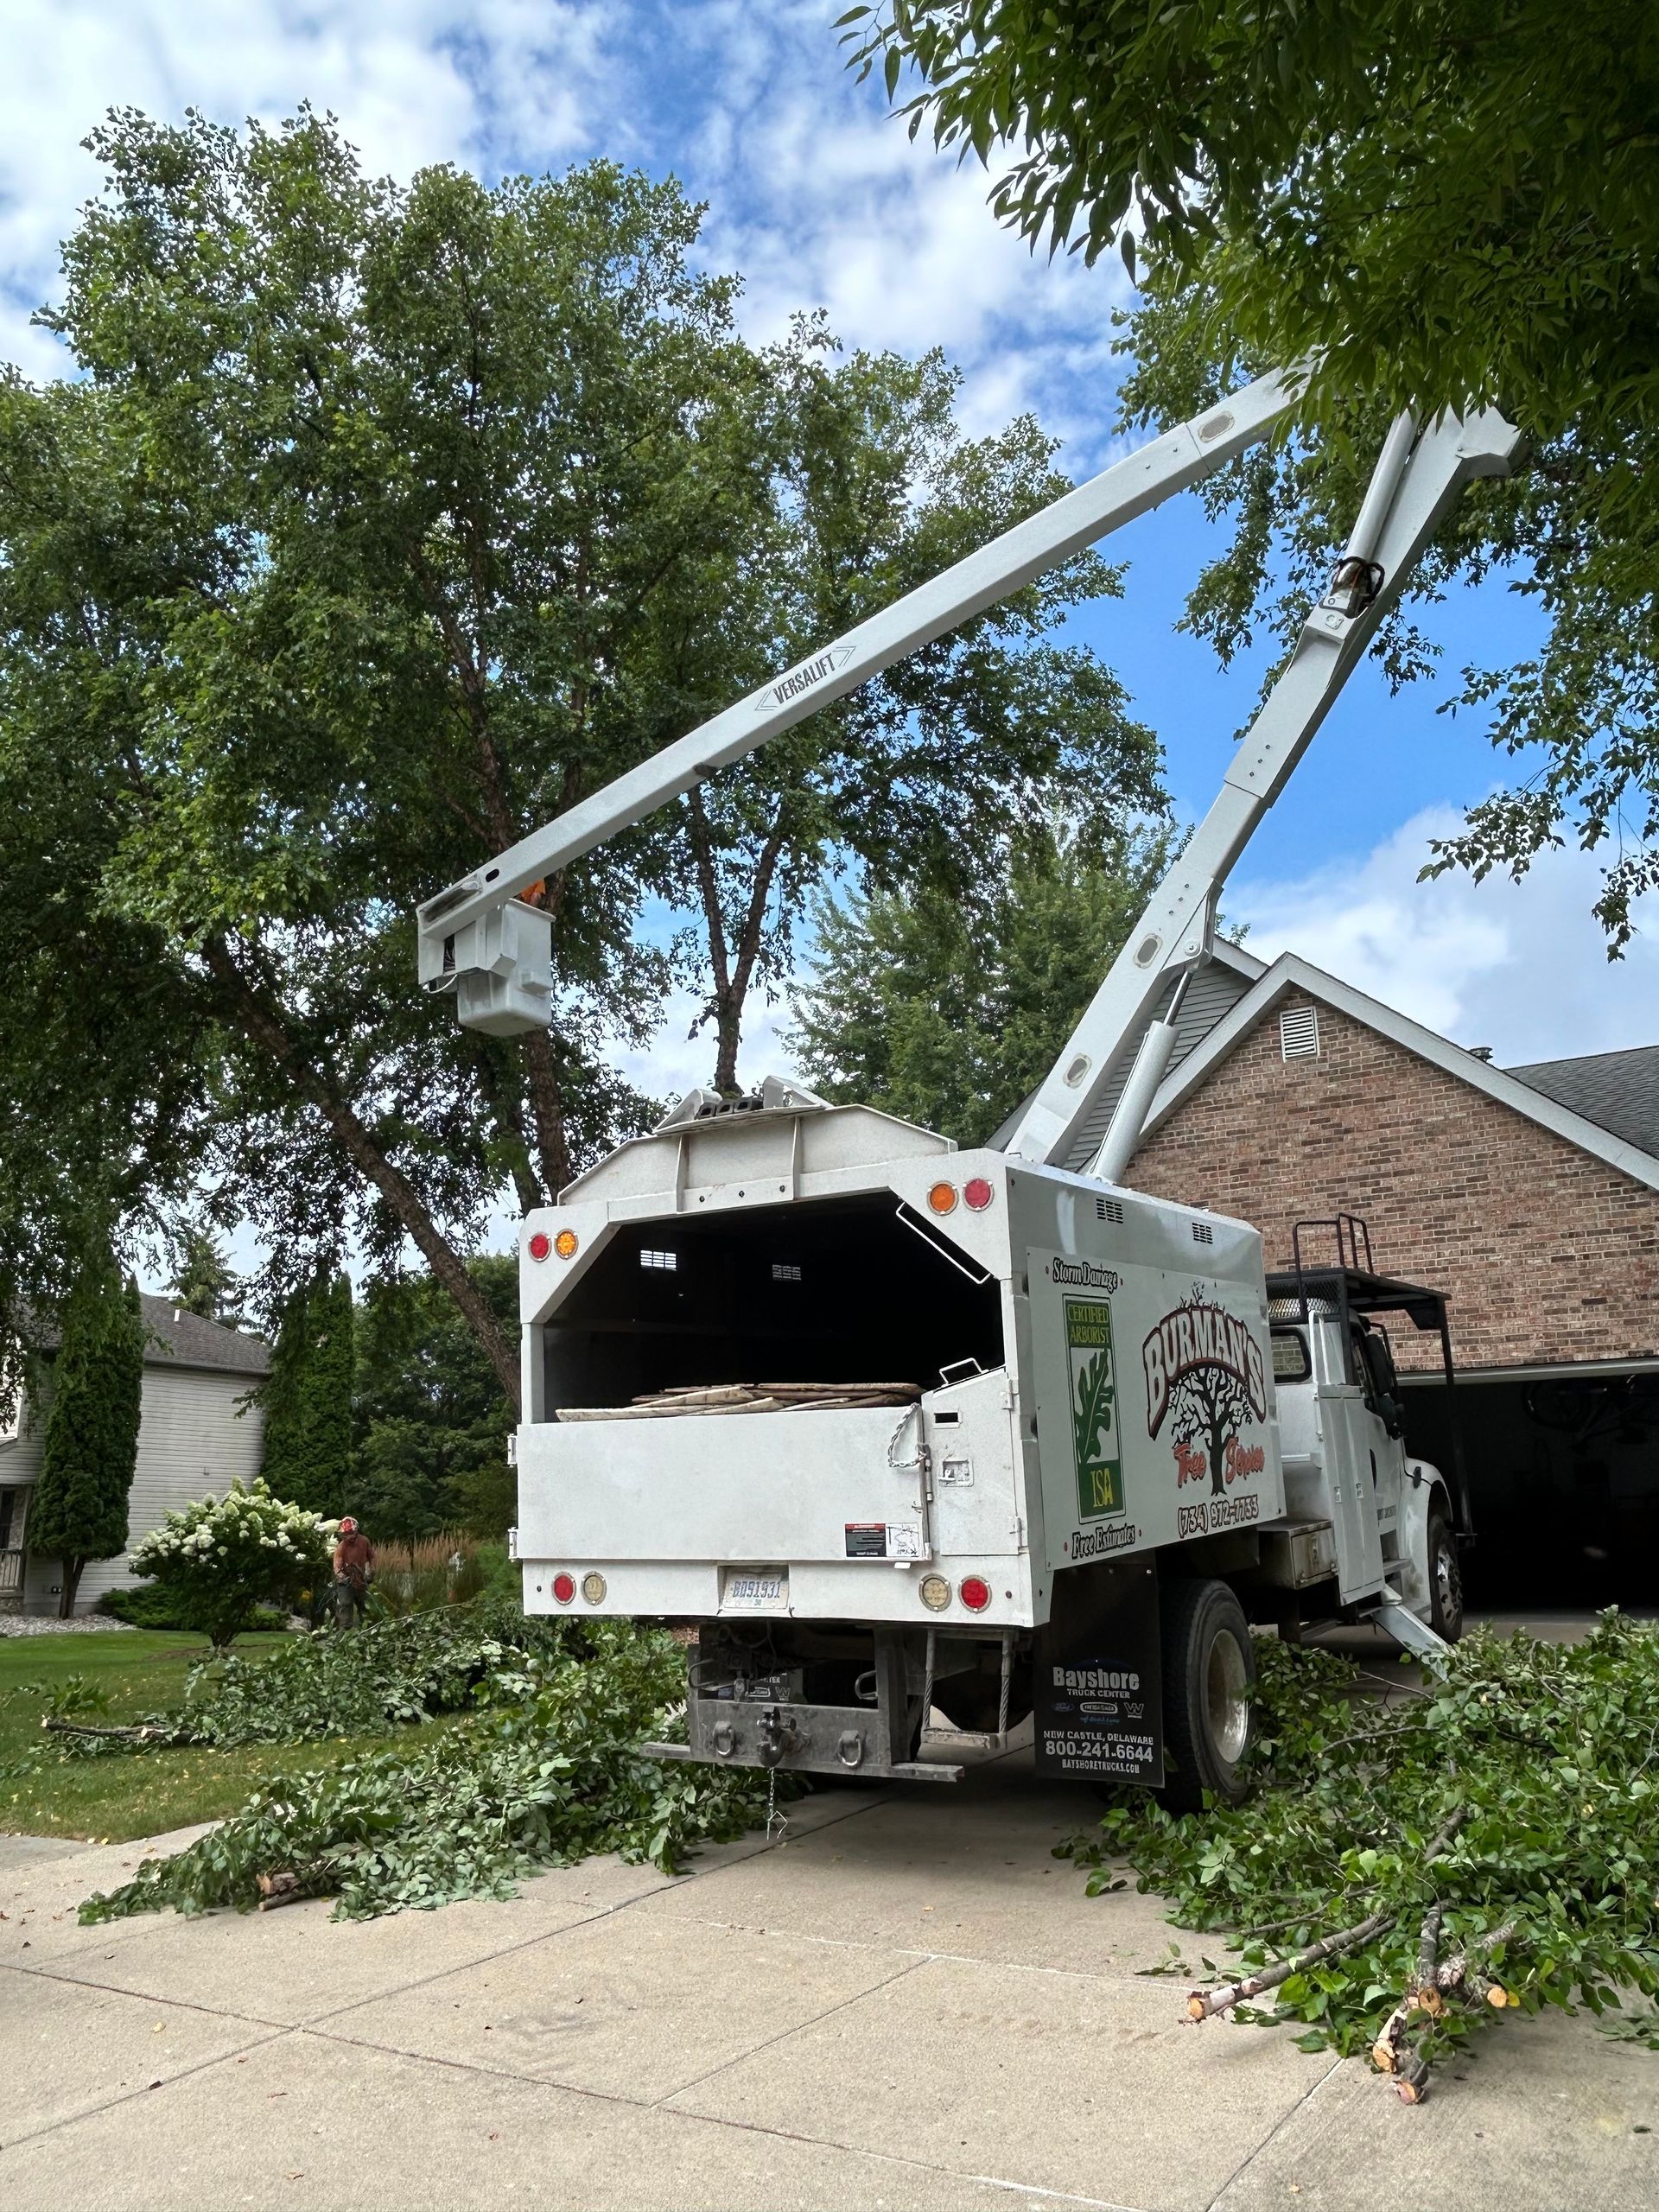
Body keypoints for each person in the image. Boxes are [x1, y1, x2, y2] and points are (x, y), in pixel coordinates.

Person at [332, 1516, 376, 1629]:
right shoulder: (341, 1547)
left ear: (356, 1530)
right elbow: (337, 1565)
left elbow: (371, 1557)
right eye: (346, 1535)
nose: (349, 1537)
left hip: (361, 1579)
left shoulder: (364, 1541)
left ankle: (367, 1629)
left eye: (351, 1533)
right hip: (346, 1581)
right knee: (345, 1604)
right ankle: (345, 1630)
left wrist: (370, 1571)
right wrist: (341, 1576)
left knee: (364, 1606)